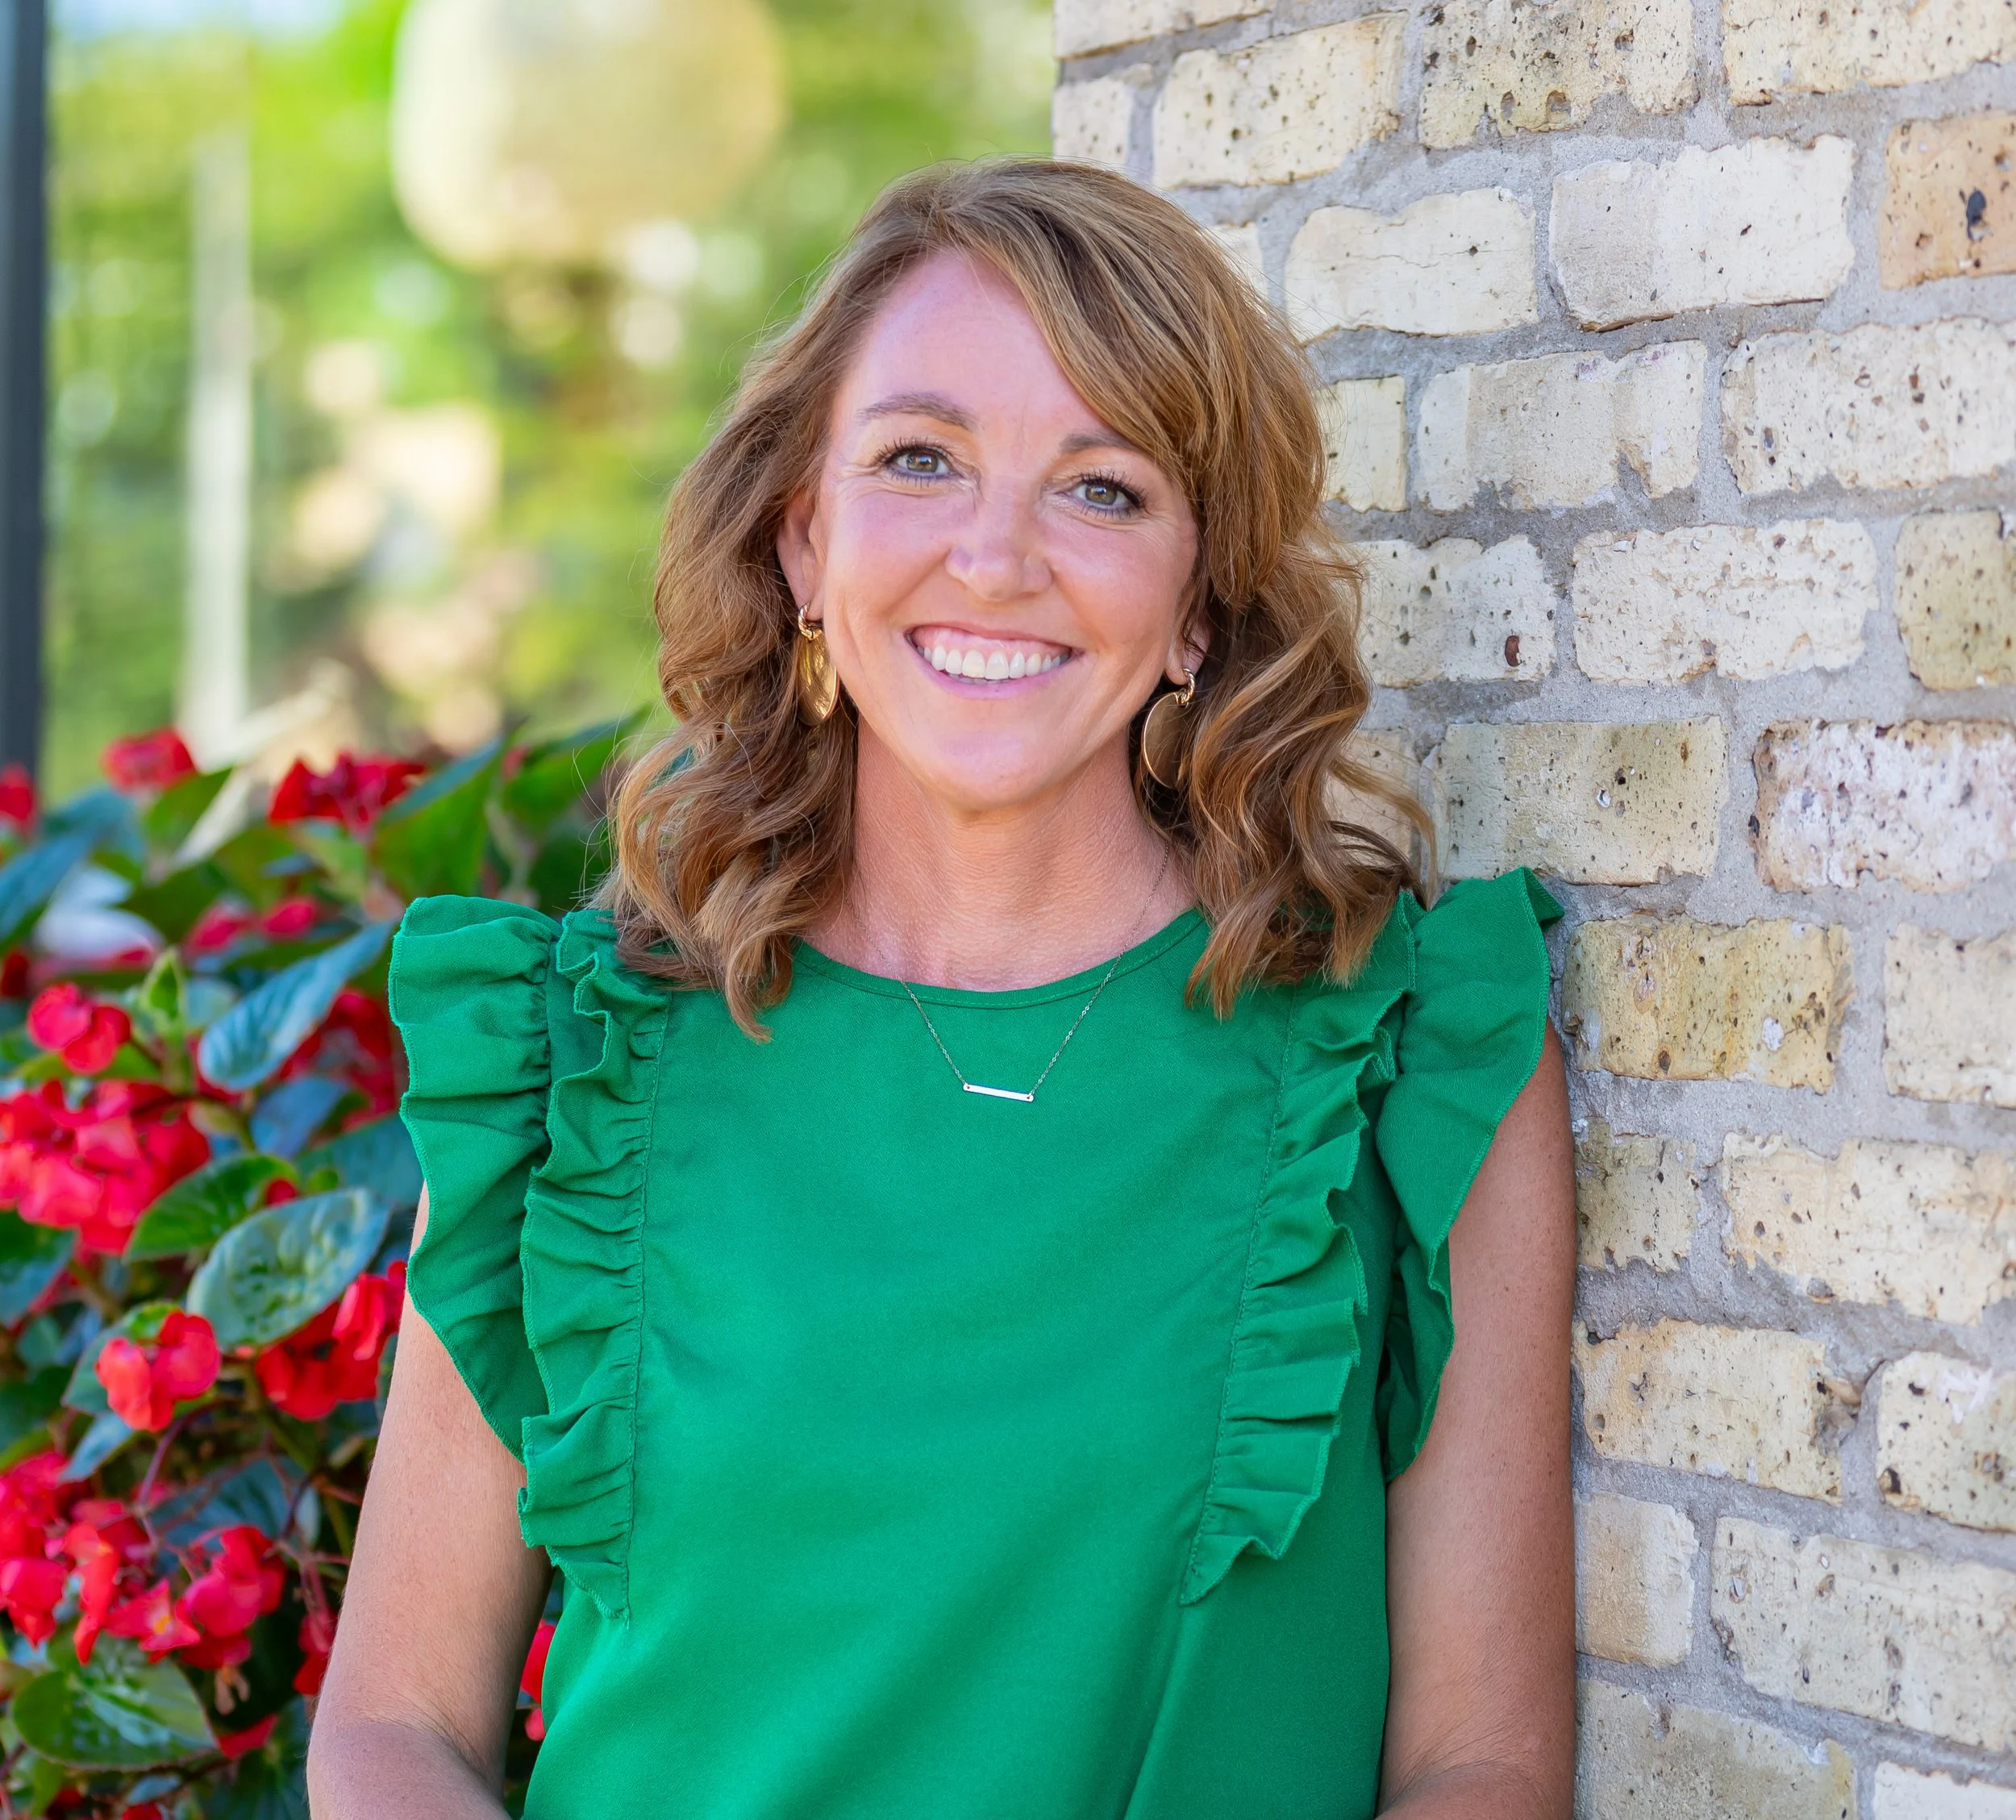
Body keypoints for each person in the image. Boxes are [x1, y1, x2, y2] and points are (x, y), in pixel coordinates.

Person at [307, 159, 1575, 1820]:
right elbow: (399, 1723)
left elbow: (1479, 1763)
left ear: (1198, 608)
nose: (994, 558)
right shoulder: (578, 1062)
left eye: (1100, 487)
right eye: (919, 460)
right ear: (803, 540)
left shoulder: (1404, 1055)